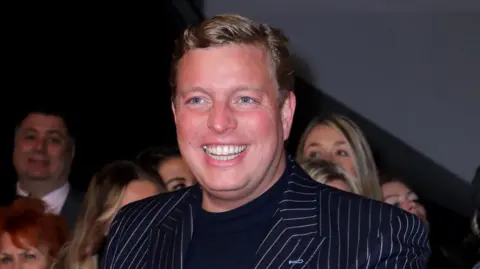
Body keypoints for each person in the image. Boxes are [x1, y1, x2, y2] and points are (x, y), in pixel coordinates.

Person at [102, 14, 430, 269]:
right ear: (175, 115)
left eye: (244, 99)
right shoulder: (135, 229)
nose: (219, 123)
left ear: (285, 114)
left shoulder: (375, 238)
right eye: (198, 100)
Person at [5, 106, 83, 231]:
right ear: (15, 144)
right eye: (30, 137)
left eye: (53, 140)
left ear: (72, 151)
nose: (40, 148)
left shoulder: (98, 216)